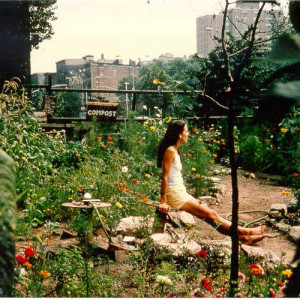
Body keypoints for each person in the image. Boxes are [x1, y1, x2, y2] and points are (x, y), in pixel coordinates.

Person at [157, 120, 266, 245]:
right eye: (186, 131)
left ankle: (244, 236)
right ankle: (246, 234)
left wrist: (191, 198)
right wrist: (163, 201)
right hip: (174, 195)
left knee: (210, 215)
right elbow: (164, 177)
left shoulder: (176, 150)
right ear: (179, 134)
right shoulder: (170, 150)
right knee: (210, 214)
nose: (188, 134)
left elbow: (175, 178)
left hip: (179, 193)